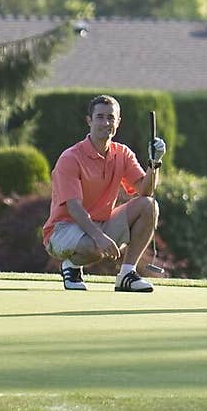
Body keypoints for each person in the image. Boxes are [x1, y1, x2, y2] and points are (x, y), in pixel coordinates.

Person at [42, 94, 166, 292]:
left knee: (149, 205)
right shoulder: (70, 158)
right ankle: (71, 266)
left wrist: (154, 163)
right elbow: (74, 207)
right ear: (89, 120)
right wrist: (99, 237)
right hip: (62, 230)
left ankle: (126, 274)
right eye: (100, 117)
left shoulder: (122, 153)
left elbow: (145, 191)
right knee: (94, 248)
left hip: (99, 225)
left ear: (118, 122)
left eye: (111, 117)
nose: (106, 122)